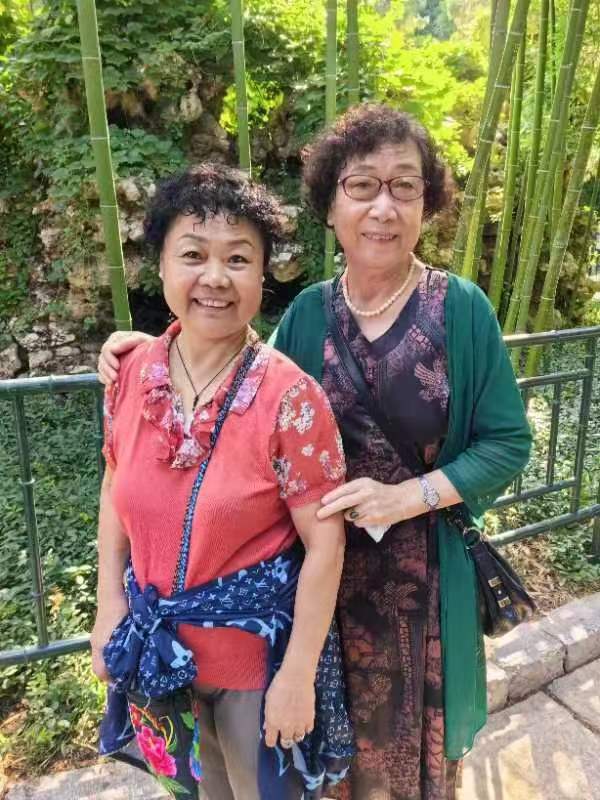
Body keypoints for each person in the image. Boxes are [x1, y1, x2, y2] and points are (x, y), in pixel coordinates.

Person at [98, 104, 531, 800]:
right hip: (309, 589)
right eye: (362, 186)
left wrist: (409, 496)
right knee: (315, 764)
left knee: (405, 766)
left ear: (427, 204)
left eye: (404, 186)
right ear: (331, 205)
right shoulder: (307, 313)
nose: (383, 207)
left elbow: (508, 443)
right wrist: (149, 350)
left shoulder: (460, 310)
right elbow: (237, 387)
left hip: (420, 586)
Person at [91, 163, 354, 800]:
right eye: (192, 255)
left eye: (238, 258)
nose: (214, 277)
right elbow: (114, 488)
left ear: (262, 276)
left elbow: (325, 544)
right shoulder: (130, 374)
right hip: (158, 654)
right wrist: (108, 607)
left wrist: (297, 676)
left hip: (252, 668)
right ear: (161, 267)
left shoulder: (291, 397)